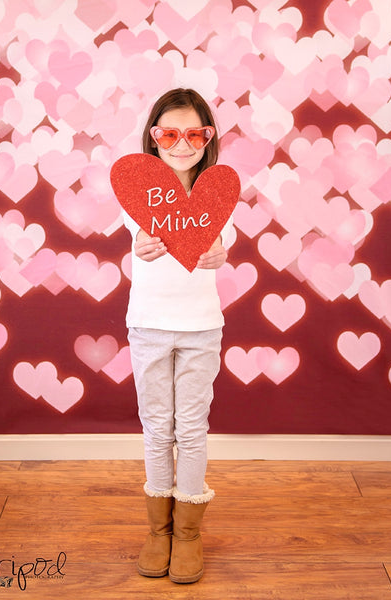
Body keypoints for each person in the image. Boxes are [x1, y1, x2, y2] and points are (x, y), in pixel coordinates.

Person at [120, 88, 235, 584]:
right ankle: (158, 530)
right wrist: (141, 245)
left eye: (195, 133)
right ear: (154, 136)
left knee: (190, 429)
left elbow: (223, 235)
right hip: (148, 322)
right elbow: (140, 236)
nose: (182, 143)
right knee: (156, 428)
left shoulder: (221, 190)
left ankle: (188, 533)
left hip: (201, 325)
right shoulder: (135, 188)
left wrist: (221, 248)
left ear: (208, 138)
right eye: (170, 133)